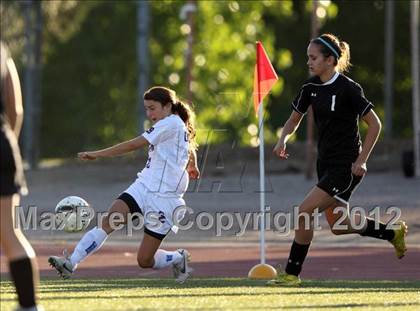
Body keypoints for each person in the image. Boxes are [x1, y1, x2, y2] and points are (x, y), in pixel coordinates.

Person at [269, 33, 408, 286]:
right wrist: (282, 140)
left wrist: (362, 160)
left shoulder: (349, 88)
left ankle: (291, 273)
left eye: (313, 58)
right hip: (325, 164)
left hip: (346, 166)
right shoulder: (309, 89)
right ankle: (391, 232)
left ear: (330, 59)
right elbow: (293, 120)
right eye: (308, 57)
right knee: (338, 224)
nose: (309, 62)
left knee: (304, 211)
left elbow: (375, 125)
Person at [48, 86, 200, 283]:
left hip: (166, 198)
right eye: (146, 108)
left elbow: (132, 145)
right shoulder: (174, 123)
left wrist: (97, 154)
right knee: (109, 221)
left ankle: (179, 257)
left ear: (167, 106)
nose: (149, 114)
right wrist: (193, 163)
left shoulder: (170, 124)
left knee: (144, 260)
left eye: (152, 108)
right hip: (144, 185)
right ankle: (71, 263)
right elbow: (188, 145)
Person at [0, 42, 43, 311]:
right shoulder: (2, 51)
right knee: (9, 232)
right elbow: (16, 110)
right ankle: (30, 307)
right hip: (2, 142)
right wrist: (7, 144)